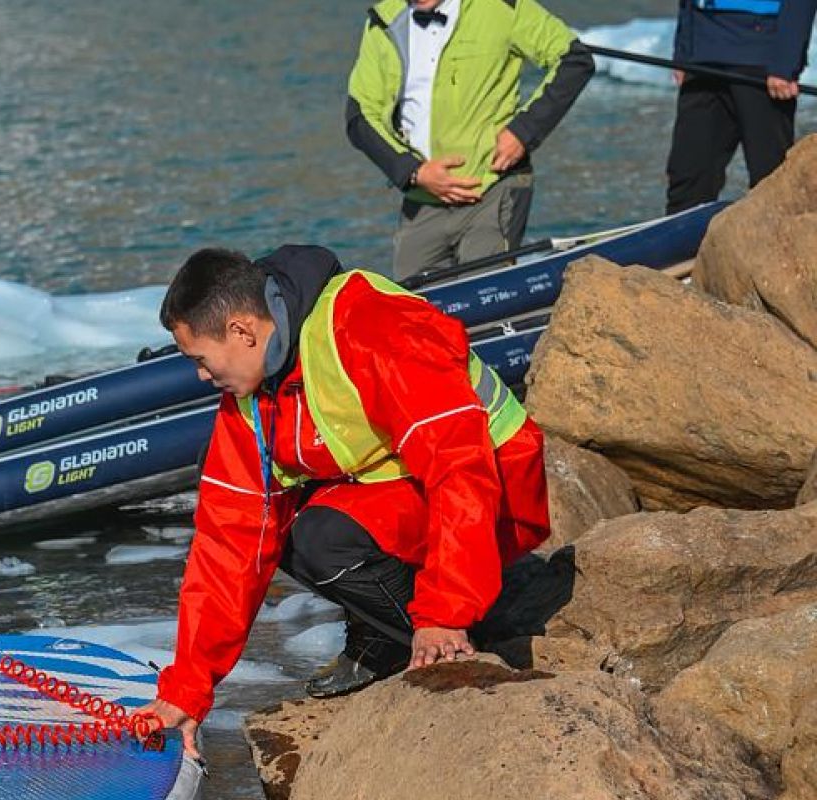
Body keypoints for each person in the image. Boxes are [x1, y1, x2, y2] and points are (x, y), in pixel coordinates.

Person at [138, 244, 550, 758]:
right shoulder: (249, 394)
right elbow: (228, 542)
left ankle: (448, 638)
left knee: (322, 538)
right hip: (405, 491)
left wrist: (443, 613)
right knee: (281, 526)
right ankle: (393, 633)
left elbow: (459, 469)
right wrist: (187, 692)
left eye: (199, 358)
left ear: (243, 332)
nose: (200, 375)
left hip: (501, 487)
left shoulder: (368, 323)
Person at [346, 0, 594, 282]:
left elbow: (574, 60)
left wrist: (524, 132)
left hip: (492, 186)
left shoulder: (503, 7)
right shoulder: (383, 20)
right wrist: (414, 171)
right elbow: (360, 115)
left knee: (488, 294)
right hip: (421, 197)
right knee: (416, 309)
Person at [666, 0, 817, 213]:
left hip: (761, 60)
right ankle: (679, 242)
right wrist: (684, 51)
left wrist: (786, 63)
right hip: (702, 56)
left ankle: (772, 242)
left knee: (769, 178)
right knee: (687, 175)